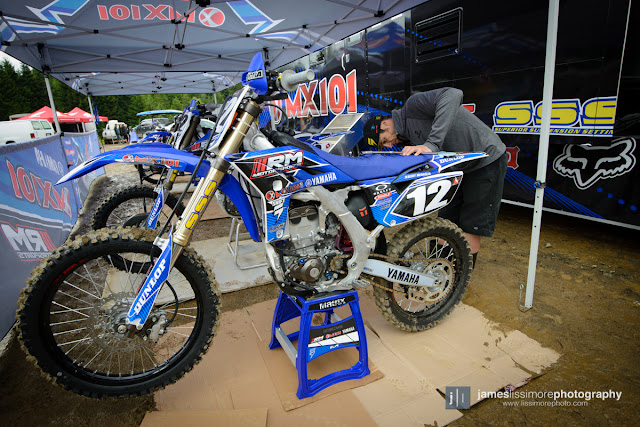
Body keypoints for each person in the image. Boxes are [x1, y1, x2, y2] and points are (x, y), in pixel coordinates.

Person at [362, 87, 508, 268]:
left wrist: (432, 143)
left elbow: (454, 94)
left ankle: (461, 279)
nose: (388, 145)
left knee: (470, 225)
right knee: (446, 222)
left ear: (385, 124)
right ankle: (439, 271)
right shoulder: (406, 136)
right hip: (459, 167)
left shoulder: (412, 107)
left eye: (384, 140)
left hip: (486, 159)